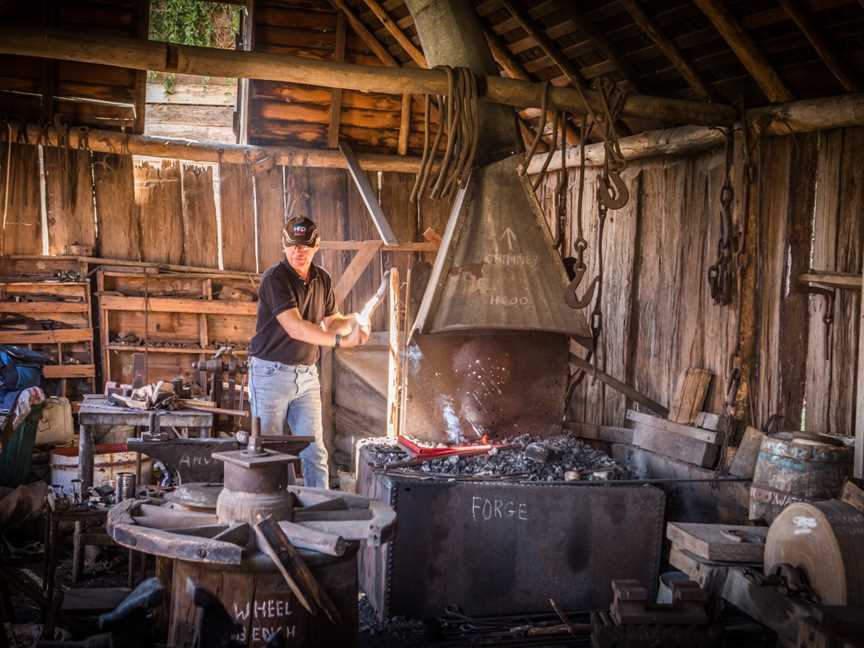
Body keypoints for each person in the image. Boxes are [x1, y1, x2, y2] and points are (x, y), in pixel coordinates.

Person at [248, 216, 370, 488]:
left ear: (316, 245)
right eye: (292, 246)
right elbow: (296, 327)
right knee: (267, 450)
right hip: (270, 374)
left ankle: (320, 506)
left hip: (306, 376)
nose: (298, 252)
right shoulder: (275, 278)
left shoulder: (322, 279)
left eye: (304, 246)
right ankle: (269, 510)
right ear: (284, 245)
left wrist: (354, 319)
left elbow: (331, 321)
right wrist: (341, 343)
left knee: (314, 450)